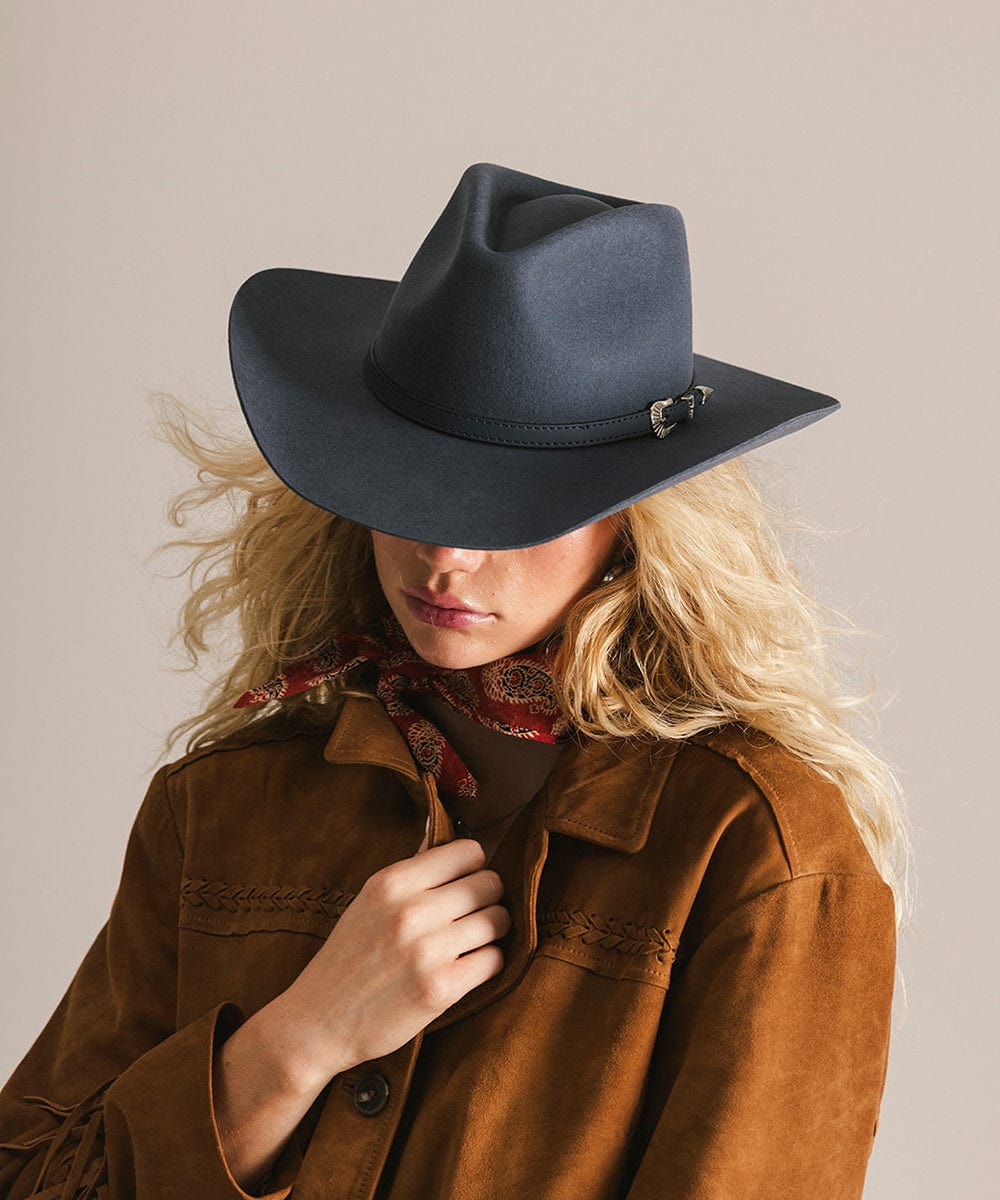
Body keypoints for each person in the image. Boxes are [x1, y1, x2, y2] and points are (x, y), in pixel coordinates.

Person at [0, 162, 909, 1200]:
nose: (445, 557)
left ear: (637, 518)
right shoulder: (221, 808)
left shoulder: (757, 852)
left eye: (515, 505)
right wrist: (297, 1042)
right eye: (414, 482)